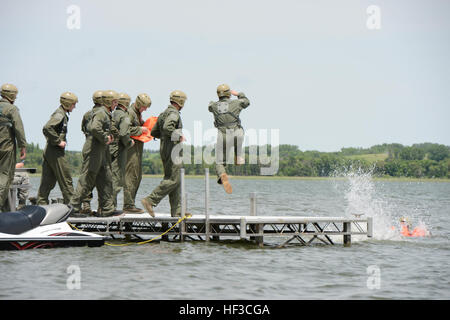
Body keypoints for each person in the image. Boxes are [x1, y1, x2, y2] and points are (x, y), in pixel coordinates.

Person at [70, 90, 121, 217]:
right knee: (87, 179)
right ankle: (73, 208)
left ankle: (107, 208)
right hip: (94, 150)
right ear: (109, 102)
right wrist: (105, 137)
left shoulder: (105, 113)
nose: (116, 105)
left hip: (102, 150)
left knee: (106, 177)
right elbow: (93, 127)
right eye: (115, 102)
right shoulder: (101, 113)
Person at [141, 90, 187, 217]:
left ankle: (177, 212)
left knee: (174, 179)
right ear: (181, 101)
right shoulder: (174, 114)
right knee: (174, 179)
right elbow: (168, 127)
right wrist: (179, 136)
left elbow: (154, 132)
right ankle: (150, 200)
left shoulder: (163, 114)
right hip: (173, 150)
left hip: (164, 149)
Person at [208, 84, 250, 194]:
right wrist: (239, 94)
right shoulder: (236, 103)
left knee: (219, 162)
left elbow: (210, 107)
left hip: (223, 136)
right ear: (228, 93)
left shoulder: (214, 106)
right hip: (237, 134)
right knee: (239, 136)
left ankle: (222, 175)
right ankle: (239, 156)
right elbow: (246, 102)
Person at [36, 92, 76, 205]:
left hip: (50, 150)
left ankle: (41, 203)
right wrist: (58, 141)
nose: (74, 107)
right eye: (73, 104)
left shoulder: (61, 113)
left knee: (47, 180)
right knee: (66, 179)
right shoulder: (60, 114)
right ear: (68, 104)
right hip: (55, 152)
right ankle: (72, 207)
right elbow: (47, 128)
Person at [0, 83, 27, 212]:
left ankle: (6, 211)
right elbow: (19, 128)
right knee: (5, 177)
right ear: (11, 95)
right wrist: (23, 146)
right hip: (6, 147)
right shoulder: (12, 109)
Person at [123, 93, 151, 213]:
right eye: (144, 107)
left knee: (137, 176)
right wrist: (140, 129)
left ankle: (131, 203)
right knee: (131, 176)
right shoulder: (130, 113)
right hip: (131, 149)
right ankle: (128, 205)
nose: (145, 109)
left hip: (138, 148)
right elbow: (125, 130)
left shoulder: (137, 113)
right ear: (139, 104)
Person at [78, 90, 103, 214]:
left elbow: (83, 128)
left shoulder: (87, 114)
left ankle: (86, 204)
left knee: (88, 175)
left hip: (88, 145)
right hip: (98, 147)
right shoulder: (102, 114)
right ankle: (100, 206)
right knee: (94, 176)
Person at [110, 92, 134, 207]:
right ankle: (110, 207)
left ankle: (106, 205)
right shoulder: (124, 116)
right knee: (117, 179)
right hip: (119, 150)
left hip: (109, 149)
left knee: (109, 178)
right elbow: (124, 133)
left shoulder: (113, 113)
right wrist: (129, 142)